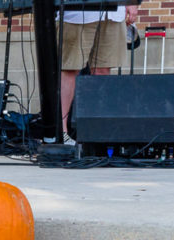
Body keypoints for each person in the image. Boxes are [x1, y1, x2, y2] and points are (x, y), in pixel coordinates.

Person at [59, 5, 139, 142]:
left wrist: (132, 3)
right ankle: (61, 132)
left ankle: (96, 134)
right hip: (78, 13)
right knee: (70, 69)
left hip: (113, 12)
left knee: (103, 69)